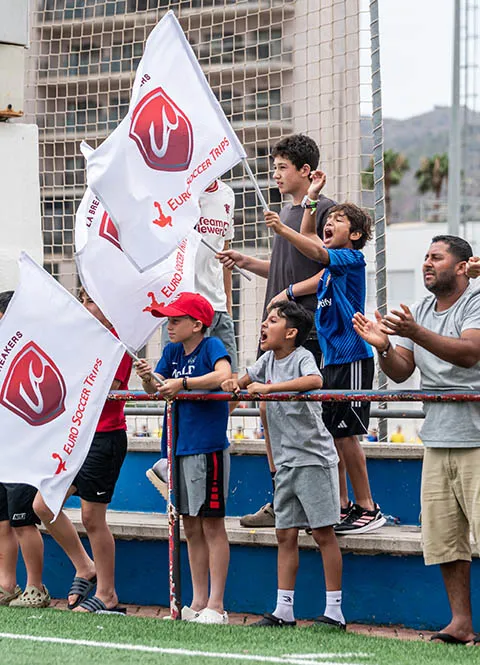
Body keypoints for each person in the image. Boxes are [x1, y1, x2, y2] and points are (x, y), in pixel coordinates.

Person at [353, 235, 480, 645]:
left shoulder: (475, 301)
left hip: (477, 438)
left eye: (436, 258)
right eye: (425, 256)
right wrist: (385, 345)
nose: (427, 263)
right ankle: (461, 624)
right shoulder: (421, 310)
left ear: (462, 266)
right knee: (445, 540)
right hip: (438, 438)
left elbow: (468, 353)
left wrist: (414, 332)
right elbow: (403, 370)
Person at [218, 134, 335, 528]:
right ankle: (280, 496)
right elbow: (284, 267)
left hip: (305, 330)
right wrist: (247, 261)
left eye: (282, 167)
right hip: (276, 326)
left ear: (307, 171)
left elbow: (327, 271)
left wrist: (287, 294)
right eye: (273, 167)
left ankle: (326, 503)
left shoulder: (323, 210)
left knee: (305, 413)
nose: (275, 174)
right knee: (268, 410)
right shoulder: (284, 215)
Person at [265, 172, 383, 534]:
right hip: (333, 358)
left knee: (347, 435)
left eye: (339, 220)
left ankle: (367, 506)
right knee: (333, 433)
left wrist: (283, 231)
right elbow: (312, 238)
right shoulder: (330, 263)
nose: (329, 223)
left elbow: (313, 247)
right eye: (328, 220)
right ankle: (344, 504)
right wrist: (312, 199)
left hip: (353, 355)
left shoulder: (350, 259)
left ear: (357, 235)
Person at [222, 301, 345, 629]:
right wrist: (233, 384)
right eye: (265, 320)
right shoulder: (265, 361)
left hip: (312, 459)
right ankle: (283, 611)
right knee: (284, 534)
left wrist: (270, 389)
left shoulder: (302, 357)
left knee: (322, 533)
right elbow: (243, 380)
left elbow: (314, 381)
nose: (264, 325)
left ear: (291, 333)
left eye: (273, 320)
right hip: (286, 462)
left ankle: (335, 612)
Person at [33, 288, 132, 614]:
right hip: (73, 439)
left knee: (92, 517)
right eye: (85, 300)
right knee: (43, 506)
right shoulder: (76, 338)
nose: (86, 306)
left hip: (104, 438)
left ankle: (107, 594)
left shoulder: (119, 342)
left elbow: (109, 390)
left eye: (93, 300)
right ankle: (85, 566)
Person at [136, 292, 232, 625]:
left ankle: (217, 605)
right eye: (168, 319)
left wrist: (185, 383)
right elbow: (156, 388)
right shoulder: (171, 351)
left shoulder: (212, 347)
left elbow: (223, 375)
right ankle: (198, 601)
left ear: (197, 324)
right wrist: (149, 376)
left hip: (206, 448)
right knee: (189, 525)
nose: (169, 325)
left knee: (211, 524)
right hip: (176, 448)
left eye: (176, 320)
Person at [0, 291, 50, 608]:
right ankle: (7, 584)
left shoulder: (36, 353)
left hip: (29, 449)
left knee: (22, 519)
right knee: (3, 520)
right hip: (4, 448)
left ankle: (36, 587)